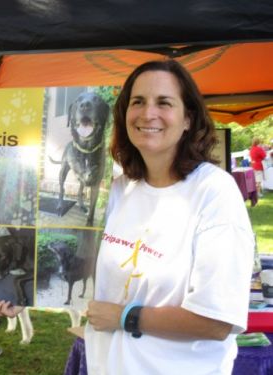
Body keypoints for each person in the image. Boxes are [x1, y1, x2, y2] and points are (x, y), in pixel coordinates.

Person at [84, 60, 254, 374]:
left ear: (188, 118)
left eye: (164, 103)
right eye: (138, 102)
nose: (148, 114)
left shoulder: (214, 193)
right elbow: (86, 281)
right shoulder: (117, 191)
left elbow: (218, 320)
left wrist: (124, 317)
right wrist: (16, 293)